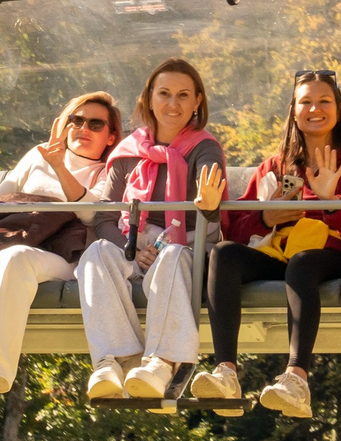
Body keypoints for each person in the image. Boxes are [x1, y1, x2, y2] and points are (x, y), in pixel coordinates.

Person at [199, 70, 341, 418]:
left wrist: (330, 202)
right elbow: (237, 229)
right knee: (223, 253)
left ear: (340, 107)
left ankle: (297, 377)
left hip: (333, 254)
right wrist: (266, 219)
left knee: (303, 263)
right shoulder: (277, 165)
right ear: (293, 110)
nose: (314, 109)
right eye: (306, 102)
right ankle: (226, 372)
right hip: (280, 251)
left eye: (324, 101)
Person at [0, 91, 123, 396]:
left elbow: (91, 213)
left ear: (110, 136)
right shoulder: (35, 156)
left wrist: (59, 166)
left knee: (15, 258)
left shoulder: (109, 169)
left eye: (95, 124)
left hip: (61, 256)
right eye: (76, 120)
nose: (83, 128)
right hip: (9, 242)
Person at [73, 59, 229, 402]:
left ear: (197, 102)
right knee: (96, 253)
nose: (173, 105)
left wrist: (209, 201)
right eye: (164, 94)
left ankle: (163, 361)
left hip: (185, 249)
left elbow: (210, 204)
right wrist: (131, 251)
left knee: (173, 255)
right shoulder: (128, 153)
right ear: (149, 98)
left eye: (183, 95)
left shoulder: (205, 148)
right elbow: (103, 218)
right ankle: (116, 361)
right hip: (135, 248)